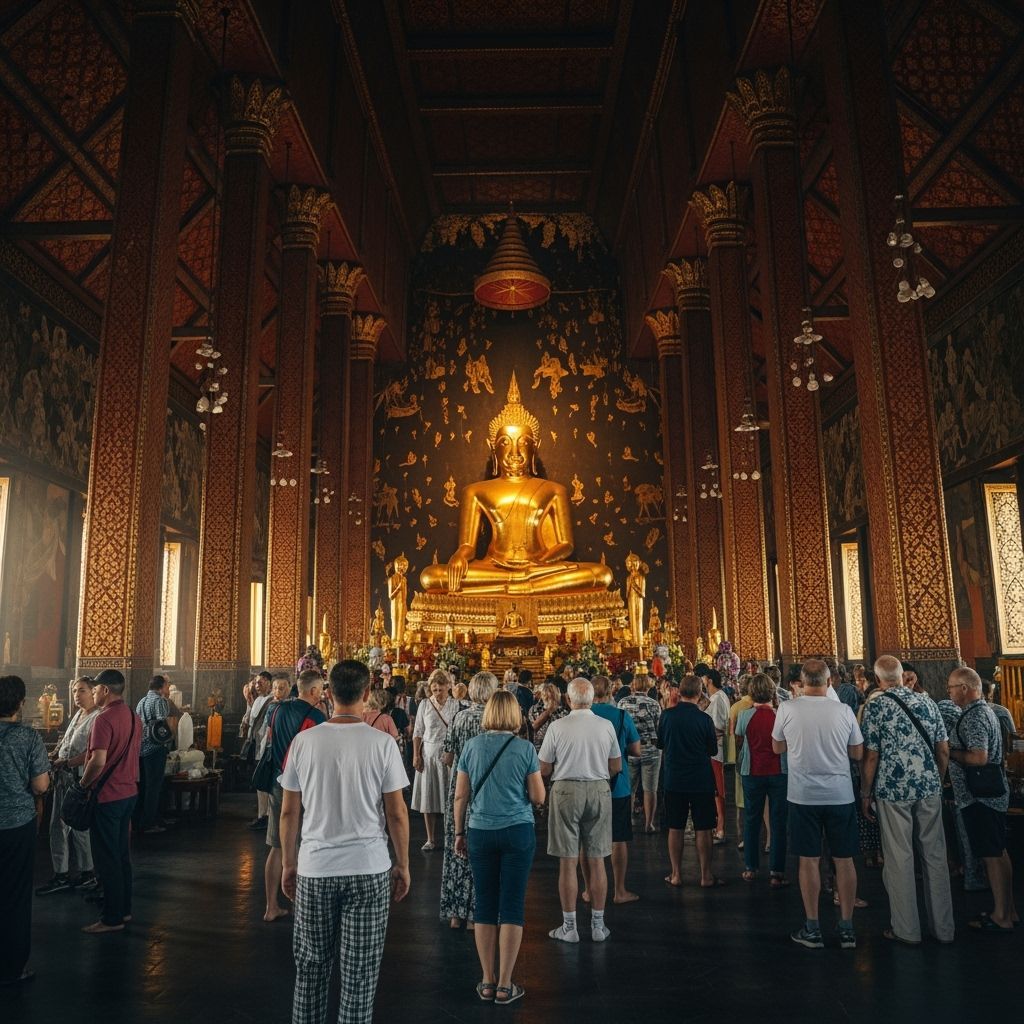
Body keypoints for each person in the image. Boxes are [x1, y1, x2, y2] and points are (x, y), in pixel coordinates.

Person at [279, 659, 410, 1024]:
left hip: (315, 868)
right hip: (369, 869)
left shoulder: (303, 743)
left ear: (329, 694)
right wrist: (403, 864)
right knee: (359, 979)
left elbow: (289, 813)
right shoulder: (382, 744)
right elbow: (397, 813)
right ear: (367, 694)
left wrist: (289, 864)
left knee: (310, 972)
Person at [454, 690, 545, 1005]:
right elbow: (538, 797)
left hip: (479, 830)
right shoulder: (524, 749)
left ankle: (487, 980)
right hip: (517, 830)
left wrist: (457, 832)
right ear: (516, 716)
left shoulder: (471, 746)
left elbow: (460, 796)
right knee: (512, 904)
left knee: (485, 904)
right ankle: (506, 984)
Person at [859, 656, 953, 944]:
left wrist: (865, 792)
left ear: (878, 680)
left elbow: (871, 755)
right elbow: (943, 749)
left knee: (899, 858)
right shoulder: (928, 702)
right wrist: (935, 777)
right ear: (902, 676)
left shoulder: (876, 705)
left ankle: (907, 930)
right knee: (935, 856)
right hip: (928, 787)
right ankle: (944, 929)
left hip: (893, 789)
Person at [771, 658, 863, 950]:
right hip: (840, 794)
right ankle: (847, 927)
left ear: (800, 681)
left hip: (803, 794)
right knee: (844, 859)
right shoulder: (844, 711)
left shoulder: (787, 708)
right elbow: (858, 752)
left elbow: (777, 746)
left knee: (808, 859)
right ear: (829, 681)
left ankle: (813, 927)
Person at [539, 677, 621, 943]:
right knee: (597, 859)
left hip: (565, 790)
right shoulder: (606, 725)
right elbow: (616, 765)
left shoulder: (557, 726)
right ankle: (598, 925)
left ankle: (569, 926)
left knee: (567, 861)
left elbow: (544, 768)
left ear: (568, 699)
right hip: (598, 788)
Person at [947, 666, 1018, 932]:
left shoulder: (975, 717)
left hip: (981, 796)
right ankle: (1008, 909)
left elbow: (979, 757)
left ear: (965, 688)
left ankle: (1000, 915)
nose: (949, 692)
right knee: (999, 852)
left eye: (952, 687)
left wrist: (951, 753)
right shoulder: (986, 711)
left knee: (991, 854)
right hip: (992, 794)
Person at [80, 668, 143, 934]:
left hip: (107, 795)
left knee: (106, 859)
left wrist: (83, 784)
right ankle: (124, 910)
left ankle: (111, 918)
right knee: (120, 855)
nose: (93, 693)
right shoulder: (132, 715)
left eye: (94, 689)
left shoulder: (103, 719)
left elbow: (98, 760)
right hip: (129, 792)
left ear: (105, 690)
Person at [263, 669, 326, 923]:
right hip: (308, 786)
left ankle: (271, 906)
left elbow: (270, 739)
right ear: (312, 691)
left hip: (279, 782)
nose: (321, 694)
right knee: (307, 844)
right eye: (320, 690)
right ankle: (303, 907)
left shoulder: (275, 710)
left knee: (277, 845)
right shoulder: (317, 716)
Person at [0, 675, 50, 985]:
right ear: (21, 703)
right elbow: (40, 784)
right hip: (16, 824)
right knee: (15, 895)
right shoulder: (28, 738)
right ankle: (11, 967)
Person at [440, 671, 499, 929]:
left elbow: (448, 756)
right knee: (483, 850)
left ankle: (456, 913)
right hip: (487, 789)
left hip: (460, 788)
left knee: (457, 848)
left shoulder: (459, 717)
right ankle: (478, 912)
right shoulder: (494, 720)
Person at [657, 674, 721, 888]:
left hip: (674, 778)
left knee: (675, 826)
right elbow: (712, 750)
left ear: (680, 692)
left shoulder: (667, 716)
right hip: (701, 779)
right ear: (699, 693)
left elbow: (660, 744)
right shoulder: (704, 719)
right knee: (704, 827)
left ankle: (676, 874)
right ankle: (706, 875)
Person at [37, 676, 99, 894]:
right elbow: (67, 741)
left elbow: (93, 753)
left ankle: (86, 872)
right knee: (59, 826)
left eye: (81, 691)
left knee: (79, 826)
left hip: (79, 778)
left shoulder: (97, 718)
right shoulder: (78, 715)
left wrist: (68, 762)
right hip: (63, 777)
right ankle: (62, 872)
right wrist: (56, 754)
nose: (77, 695)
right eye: (74, 691)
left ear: (94, 692)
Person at [587, 675, 641, 904]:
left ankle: (590, 890)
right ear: (611, 691)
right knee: (618, 837)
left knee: (586, 838)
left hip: (588, 782)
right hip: (617, 784)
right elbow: (636, 750)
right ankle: (619, 890)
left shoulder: (581, 718)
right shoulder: (620, 716)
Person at [735, 673, 788, 887]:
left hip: (752, 772)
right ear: (772, 692)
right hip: (778, 771)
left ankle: (750, 867)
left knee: (752, 819)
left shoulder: (744, 716)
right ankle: (777, 871)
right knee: (778, 822)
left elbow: (739, 740)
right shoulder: (780, 715)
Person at [412, 668, 459, 851]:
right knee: (428, 797)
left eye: (441, 689)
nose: (438, 694)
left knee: (451, 797)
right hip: (429, 754)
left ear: (448, 687)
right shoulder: (424, 704)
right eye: (434, 690)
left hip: (449, 754)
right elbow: (417, 732)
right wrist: (416, 755)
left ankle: (452, 836)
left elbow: (456, 730)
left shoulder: (455, 705)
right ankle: (430, 838)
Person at [618, 669, 662, 832]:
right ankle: (648, 823)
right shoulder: (653, 704)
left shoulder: (623, 702)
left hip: (630, 748)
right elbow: (659, 727)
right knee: (650, 788)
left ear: (633, 685)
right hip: (650, 748)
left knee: (629, 788)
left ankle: (627, 821)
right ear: (648, 686)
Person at [135, 674, 177, 834]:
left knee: (144, 785)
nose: (168, 688)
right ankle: (149, 823)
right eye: (167, 685)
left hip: (141, 748)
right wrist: (170, 737)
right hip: (155, 747)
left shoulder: (142, 701)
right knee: (154, 786)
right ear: (161, 687)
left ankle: (144, 818)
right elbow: (162, 723)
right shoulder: (160, 701)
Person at [241, 671, 274, 830]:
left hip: (264, 747)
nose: (257, 685)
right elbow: (251, 720)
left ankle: (267, 815)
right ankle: (262, 814)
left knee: (264, 782)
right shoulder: (257, 701)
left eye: (260, 682)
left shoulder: (271, 701)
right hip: (255, 745)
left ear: (268, 682)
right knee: (259, 783)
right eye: (255, 683)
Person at [704, 668, 729, 842]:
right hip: (712, 749)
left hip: (716, 749)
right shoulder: (715, 698)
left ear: (709, 680)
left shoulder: (718, 698)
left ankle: (720, 827)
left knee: (718, 789)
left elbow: (718, 726)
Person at [528, 681, 568, 752]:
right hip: (557, 750)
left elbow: (531, 731)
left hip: (537, 749)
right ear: (557, 695)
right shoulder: (563, 712)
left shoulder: (533, 709)